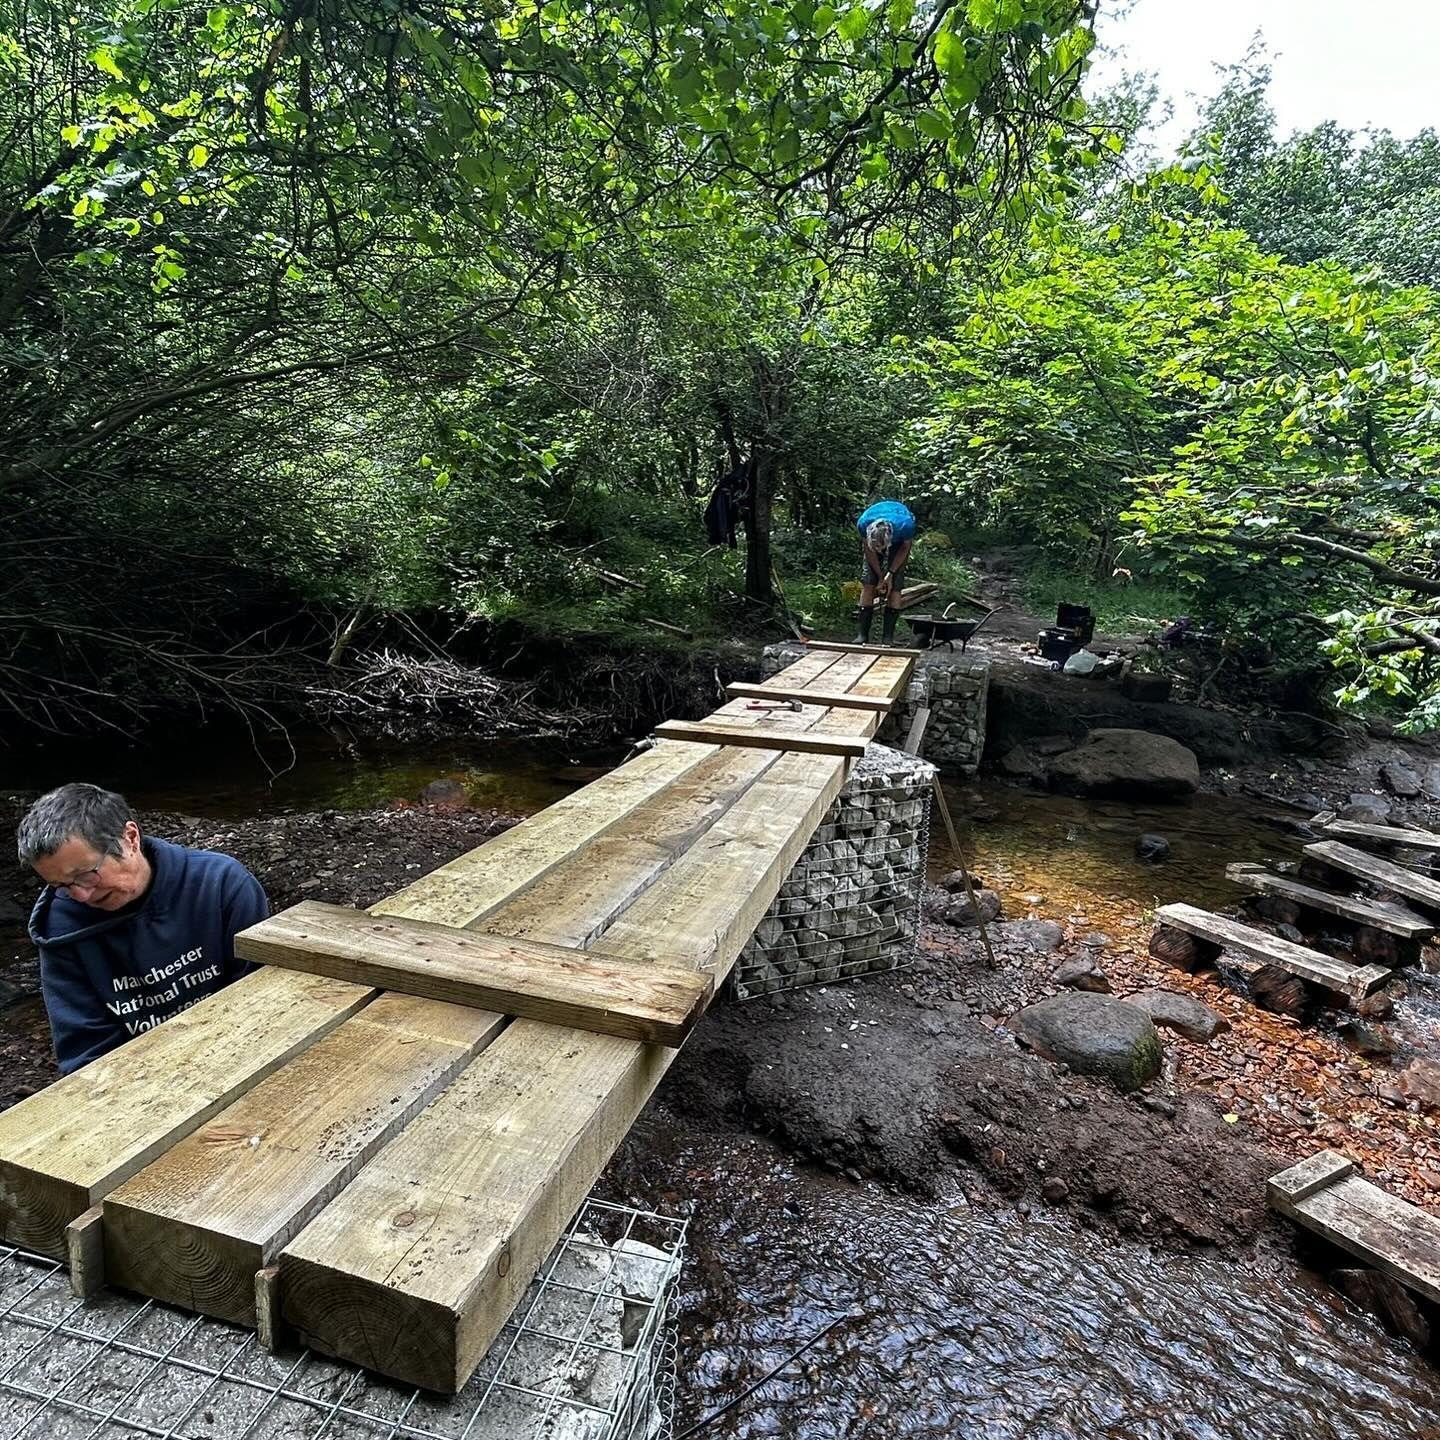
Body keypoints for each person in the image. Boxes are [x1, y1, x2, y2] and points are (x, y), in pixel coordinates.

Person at [17, 783, 268, 1074]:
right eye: (61, 886)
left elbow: (260, 996)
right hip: (142, 1082)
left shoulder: (220, 884)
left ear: (130, 838)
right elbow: (88, 1055)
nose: (81, 896)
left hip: (243, 1052)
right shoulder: (61, 930)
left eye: (85, 875)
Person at [854, 499, 917, 645]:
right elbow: (869, 551)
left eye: (881, 547)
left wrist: (890, 574)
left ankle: (888, 638)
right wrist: (880, 576)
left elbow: (904, 549)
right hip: (876, 535)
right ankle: (862, 635)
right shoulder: (863, 524)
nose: (879, 550)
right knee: (868, 582)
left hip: (900, 542)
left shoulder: (906, 525)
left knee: (895, 586)